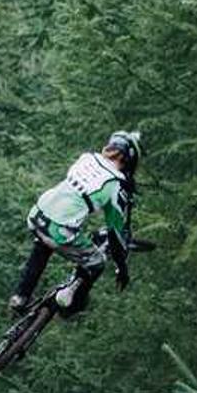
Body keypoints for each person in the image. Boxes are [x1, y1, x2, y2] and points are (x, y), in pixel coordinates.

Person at [8, 131, 143, 316]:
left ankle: (20, 297)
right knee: (96, 262)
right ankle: (67, 299)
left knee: (43, 245)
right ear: (128, 160)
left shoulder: (86, 158)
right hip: (60, 229)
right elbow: (115, 233)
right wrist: (122, 268)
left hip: (37, 214)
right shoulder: (115, 185)